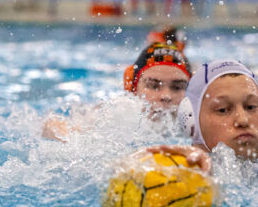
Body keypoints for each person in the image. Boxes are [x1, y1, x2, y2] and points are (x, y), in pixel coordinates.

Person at [147, 60, 258, 177]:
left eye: (251, 107)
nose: (243, 120)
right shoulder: (172, 173)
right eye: (223, 110)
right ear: (191, 120)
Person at [42, 42, 192, 142]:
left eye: (177, 87)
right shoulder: (116, 115)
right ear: (133, 88)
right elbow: (51, 125)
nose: (166, 96)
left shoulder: (199, 124)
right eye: (153, 86)